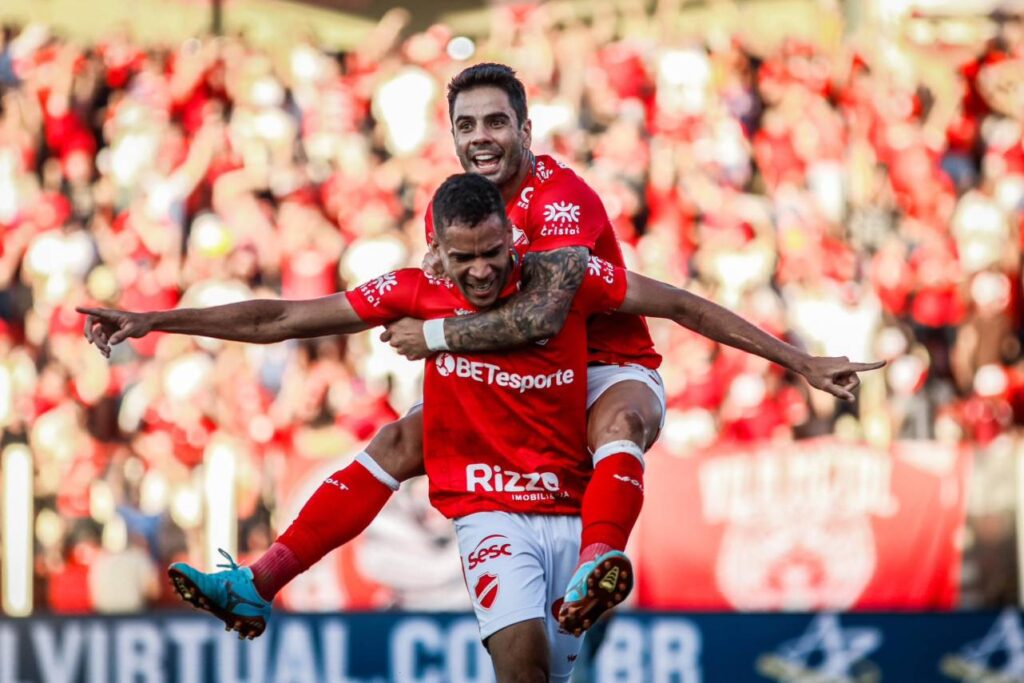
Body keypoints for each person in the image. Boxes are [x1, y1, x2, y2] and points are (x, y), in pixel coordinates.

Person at [80, 173, 883, 682]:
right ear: (437, 250)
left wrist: (798, 359)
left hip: (573, 499)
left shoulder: (564, 276)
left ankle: (601, 560)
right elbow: (282, 315)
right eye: (463, 258)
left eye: (493, 250)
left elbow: (678, 303)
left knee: (613, 431)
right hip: (492, 513)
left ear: (513, 236)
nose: (481, 270)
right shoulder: (413, 289)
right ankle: (259, 581)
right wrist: (156, 318)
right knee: (522, 665)